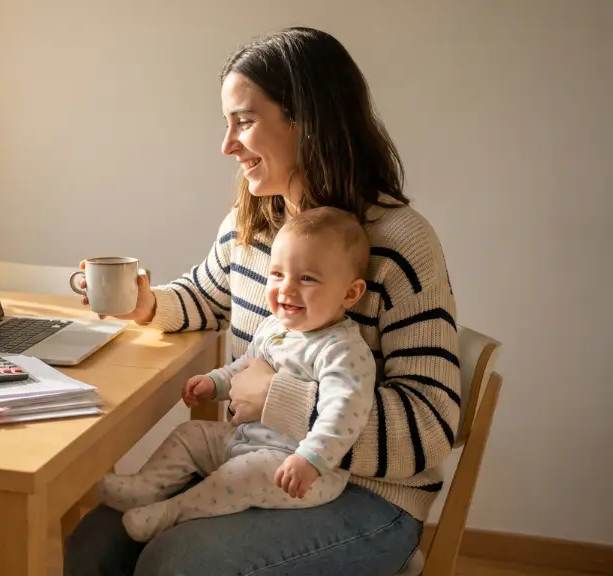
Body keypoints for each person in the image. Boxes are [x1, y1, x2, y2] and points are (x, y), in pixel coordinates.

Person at [66, 26, 459, 576]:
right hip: (249, 453)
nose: (227, 146)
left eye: (244, 122)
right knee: (87, 549)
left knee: (174, 564)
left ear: (309, 122)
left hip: (370, 495)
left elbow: (429, 430)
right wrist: (145, 305)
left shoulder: (399, 244)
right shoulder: (250, 227)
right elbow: (206, 295)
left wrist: (279, 399)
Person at [96, 207, 377, 543]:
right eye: (277, 274)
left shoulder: (342, 350)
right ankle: (144, 488)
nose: (285, 289)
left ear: (350, 293)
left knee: (240, 476)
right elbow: (245, 366)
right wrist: (216, 382)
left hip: (297, 468)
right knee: (190, 434)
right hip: (244, 440)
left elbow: (343, 414)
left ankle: (171, 513)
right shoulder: (275, 327)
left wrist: (311, 459)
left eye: (307, 278)